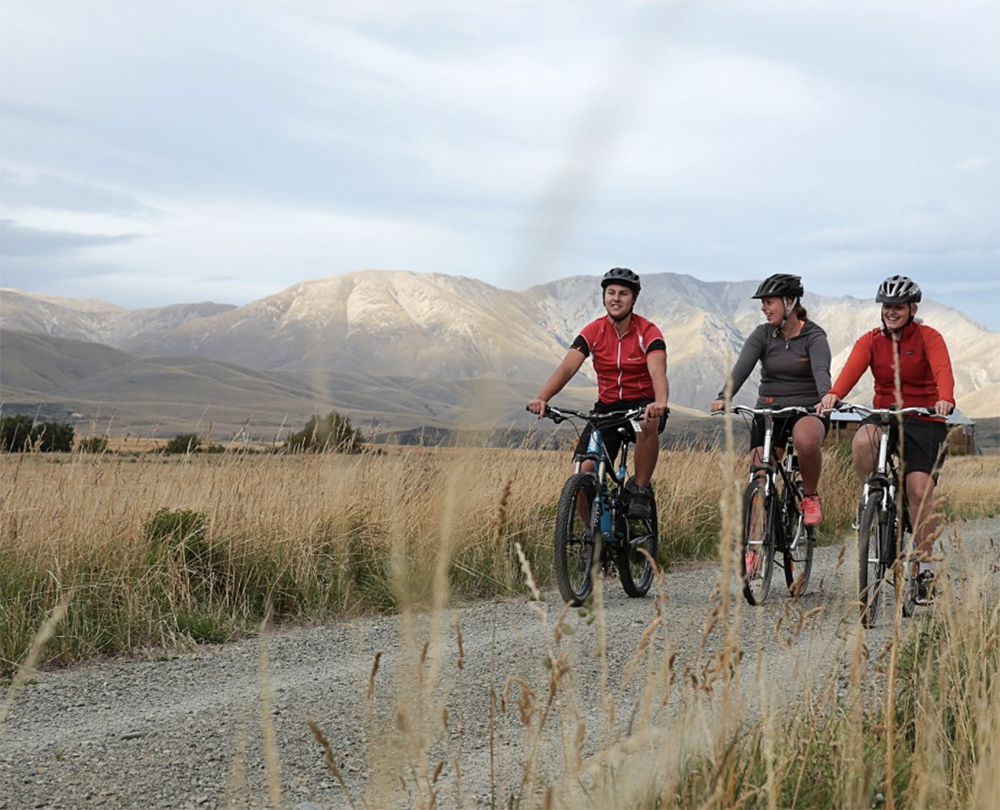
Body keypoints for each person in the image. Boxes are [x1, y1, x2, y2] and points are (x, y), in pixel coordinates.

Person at [820, 274, 955, 603]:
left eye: (898, 306)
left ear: (912, 308)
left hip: (924, 417)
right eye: (886, 306)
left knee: (919, 490)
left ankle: (923, 569)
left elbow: (942, 371)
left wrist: (945, 398)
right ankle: (872, 496)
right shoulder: (870, 340)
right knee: (863, 441)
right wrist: (834, 395)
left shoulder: (929, 337)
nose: (890, 311)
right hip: (886, 413)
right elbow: (851, 370)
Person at [527, 267, 669, 517]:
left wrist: (660, 402)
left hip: (642, 406)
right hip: (607, 410)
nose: (616, 298)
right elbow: (568, 366)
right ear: (603, 297)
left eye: (623, 293)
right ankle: (592, 542)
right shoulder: (593, 331)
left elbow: (658, 371)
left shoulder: (648, 331)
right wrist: (543, 397)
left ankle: (640, 490)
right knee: (583, 471)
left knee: (648, 423)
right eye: (610, 292)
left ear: (633, 299)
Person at [711, 273, 831, 526]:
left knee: (805, 440)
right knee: (759, 474)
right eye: (762, 303)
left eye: (769, 302)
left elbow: (821, 371)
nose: (764, 308)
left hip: (806, 409)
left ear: (789, 302)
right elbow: (742, 366)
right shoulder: (763, 334)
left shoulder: (814, 336)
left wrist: (825, 398)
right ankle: (755, 546)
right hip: (768, 409)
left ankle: (810, 496)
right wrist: (725, 396)